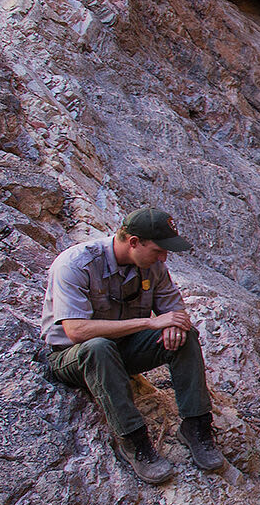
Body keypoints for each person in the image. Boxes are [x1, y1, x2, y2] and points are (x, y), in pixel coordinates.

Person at [39, 206, 224, 484]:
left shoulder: (153, 266)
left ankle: (196, 425)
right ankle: (135, 442)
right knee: (98, 347)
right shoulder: (76, 264)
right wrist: (149, 323)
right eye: (158, 250)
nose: (163, 257)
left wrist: (173, 324)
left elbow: (174, 311)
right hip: (74, 357)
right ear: (134, 242)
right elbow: (76, 331)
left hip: (123, 350)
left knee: (186, 336)